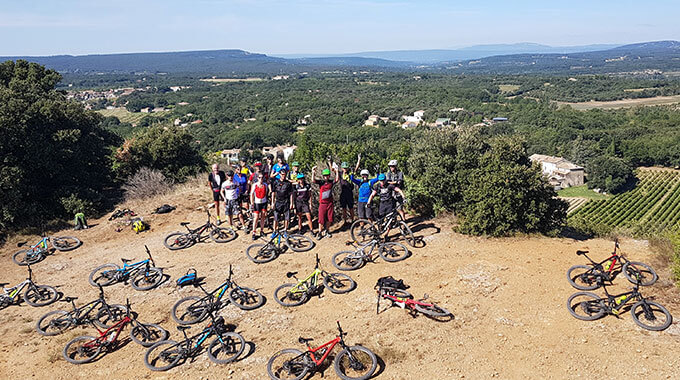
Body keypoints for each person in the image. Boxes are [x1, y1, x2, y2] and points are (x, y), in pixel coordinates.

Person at [367, 173, 406, 241]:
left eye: (383, 180)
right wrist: (368, 202)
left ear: (385, 180)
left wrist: (404, 197)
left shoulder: (389, 185)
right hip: (382, 204)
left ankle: (386, 234)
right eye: (380, 180)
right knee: (380, 221)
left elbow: (398, 190)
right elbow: (372, 195)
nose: (382, 182)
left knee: (389, 220)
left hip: (389, 204)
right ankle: (378, 234)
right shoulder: (378, 186)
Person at [311, 160, 339, 239]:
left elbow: (337, 180)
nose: (326, 177)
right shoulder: (321, 182)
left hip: (330, 203)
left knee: (329, 218)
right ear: (323, 176)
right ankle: (320, 232)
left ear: (329, 175)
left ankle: (327, 230)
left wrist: (336, 171)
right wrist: (313, 172)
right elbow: (313, 180)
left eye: (327, 175)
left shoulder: (331, 182)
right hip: (322, 203)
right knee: (321, 219)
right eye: (325, 175)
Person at [351, 153, 379, 221]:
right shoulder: (359, 182)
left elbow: (378, 178)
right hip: (360, 201)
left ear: (367, 175)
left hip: (368, 201)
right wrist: (352, 173)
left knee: (369, 215)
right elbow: (352, 179)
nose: (364, 176)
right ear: (361, 175)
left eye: (365, 175)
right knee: (361, 217)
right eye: (363, 175)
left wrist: (377, 170)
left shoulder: (370, 182)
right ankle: (362, 228)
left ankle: (371, 228)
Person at [272, 168, 294, 233]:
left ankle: (285, 230)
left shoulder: (288, 183)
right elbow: (273, 193)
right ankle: (274, 230)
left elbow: (291, 194)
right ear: (280, 174)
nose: (283, 176)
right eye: (282, 174)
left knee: (286, 217)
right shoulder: (276, 182)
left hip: (286, 202)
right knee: (276, 217)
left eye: (284, 174)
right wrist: (272, 202)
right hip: (278, 202)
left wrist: (291, 203)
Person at [249, 173, 269, 240]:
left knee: (263, 216)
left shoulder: (265, 185)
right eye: (260, 177)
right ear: (257, 178)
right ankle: (254, 232)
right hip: (257, 203)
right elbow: (251, 194)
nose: (261, 179)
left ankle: (262, 230)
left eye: (262, 177)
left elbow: (266, 193)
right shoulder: (254, 185)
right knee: (256, 217)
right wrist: (252, 203)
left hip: (264, 202)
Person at [338, 161, 355, 228]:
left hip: (349, 193)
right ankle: (345, 221)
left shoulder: (350, 174)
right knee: (344, 208)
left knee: (351, 208)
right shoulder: (340, 174)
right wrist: (330, 162)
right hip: (343, 193)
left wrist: (358, 161)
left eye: (346, 168)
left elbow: (355, 170)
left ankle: (353, 221)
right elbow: (333, 170)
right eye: (344, 168)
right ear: (342, 168)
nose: (345, 169)